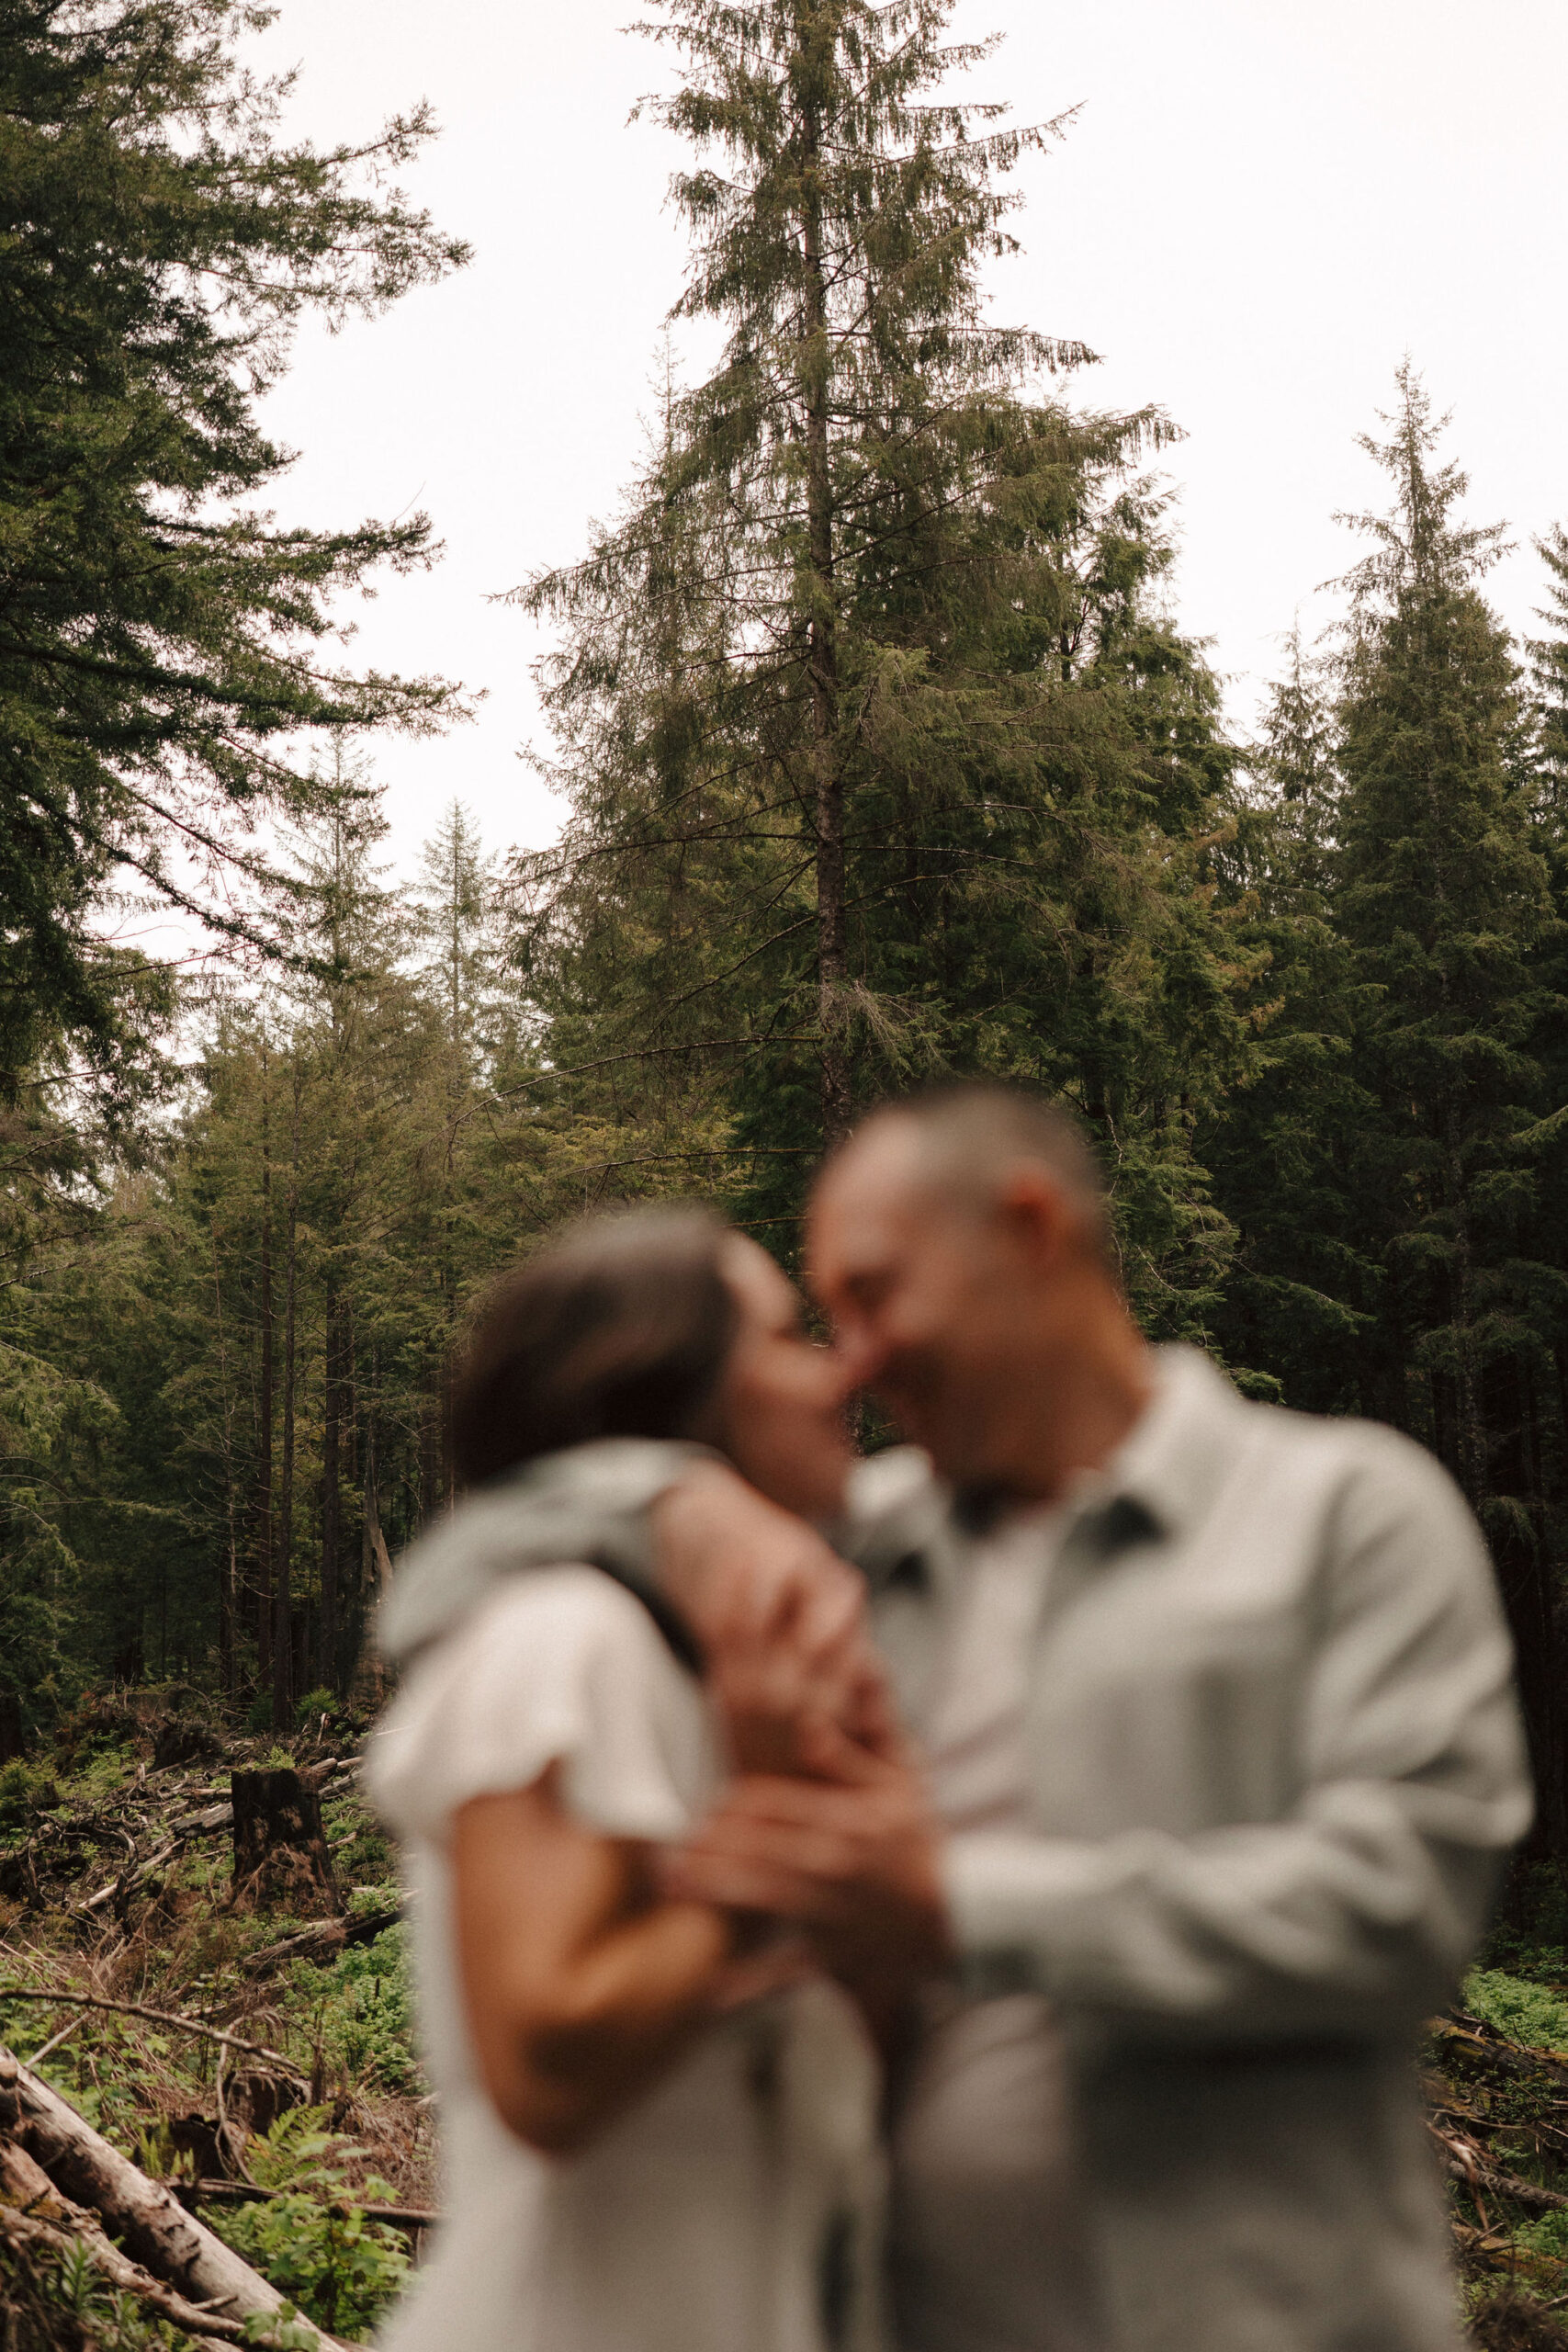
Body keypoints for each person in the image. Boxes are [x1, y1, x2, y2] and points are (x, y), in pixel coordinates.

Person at [661, 1084, 1534, 2352]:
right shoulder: (852, 1559)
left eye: (873, 1293)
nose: (851, 1358)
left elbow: (1395, 1906)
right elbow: (550, 1498)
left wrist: (960, 1905)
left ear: (1025, 1230)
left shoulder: (1341, 1515)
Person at [366, 1206, 891, 2352]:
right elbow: (550, 2057)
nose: (840, 1371)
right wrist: (773, 1841)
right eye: (787, 1336)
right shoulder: (563, 1639)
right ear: (667, 1387)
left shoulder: (723, 1665)